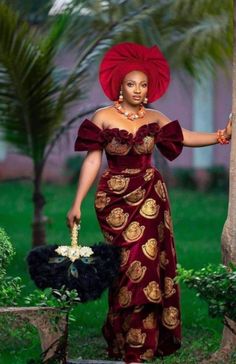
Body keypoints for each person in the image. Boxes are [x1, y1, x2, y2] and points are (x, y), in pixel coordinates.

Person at [66, 42, 232, 363]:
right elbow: (91, 162)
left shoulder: (156, 117)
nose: (138, 90)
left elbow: (184, 136)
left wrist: (221, 135)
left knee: (146, 264)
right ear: (120, 86)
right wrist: (76, 204)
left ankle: (140, 347)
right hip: (112, 202)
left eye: (143, 85)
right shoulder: (102, 117)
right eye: (132, 84)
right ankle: (121, 338)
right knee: (124, 269)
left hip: (149, 198)